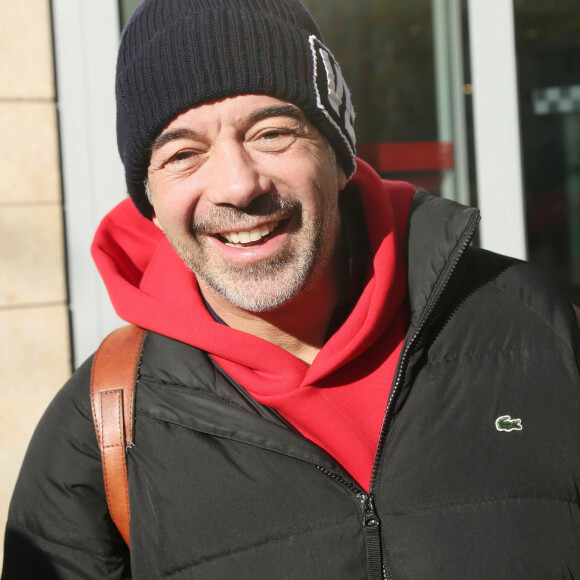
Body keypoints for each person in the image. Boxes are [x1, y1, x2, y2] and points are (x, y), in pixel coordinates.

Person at [3, 0, 580, 578]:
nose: (238, 185)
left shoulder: (532, 328)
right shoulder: (102, 427)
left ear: (339, 157)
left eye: (272, 132)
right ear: (151, 201)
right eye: (183, 154)